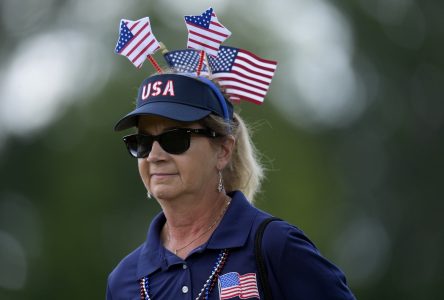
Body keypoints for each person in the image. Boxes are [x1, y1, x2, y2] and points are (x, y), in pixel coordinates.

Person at [106, 71, 356, 299]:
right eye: (143, 141)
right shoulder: (123, 280)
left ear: (223, 151)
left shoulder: (274, 245)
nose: (154, 156)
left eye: (175, 138)